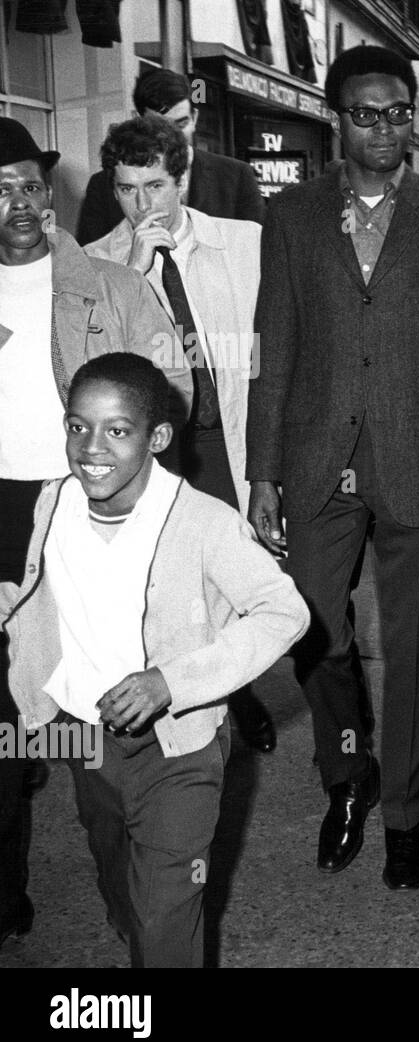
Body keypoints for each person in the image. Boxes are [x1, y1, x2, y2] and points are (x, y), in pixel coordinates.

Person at [246, 45, 419, 890]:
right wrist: (262, 473)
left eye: (395, 113)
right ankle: (348, 775)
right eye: (364, 113)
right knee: (313, 629)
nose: (382, 128)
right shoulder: (292, 216)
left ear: (411, 118)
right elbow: (273, 348)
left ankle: (405, 814)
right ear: (335, 118)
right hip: (318, 459)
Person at [0, 353, 307, 966]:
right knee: (117, 872)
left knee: (167, 913)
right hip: (82, 737)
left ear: (157, 437)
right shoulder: (50, 504)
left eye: (118, 430)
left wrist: (172, 681)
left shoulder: (203, 522)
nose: (92, 447)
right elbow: (29, 590)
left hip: (179, 751)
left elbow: (285, 611)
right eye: (77, 426)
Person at [0, 118, 187, 950]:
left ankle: (133, 893)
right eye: (1, 191)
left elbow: (170, 388)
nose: (22, 205)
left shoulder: (109, 285)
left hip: (82, 512)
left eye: (32, 186)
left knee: (95, 717)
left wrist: (119, 483)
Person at [85, 115, 275, 754]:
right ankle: (210, 700)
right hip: (155, 456)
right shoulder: (94, 267)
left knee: (240, 578)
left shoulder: (244, 242)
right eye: (127, 189)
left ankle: (239, 688)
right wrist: (131, 274)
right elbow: (97, 372)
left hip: (229, 444)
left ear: (183, 178)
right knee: (170, 586)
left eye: (156, 187)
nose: (143, 204)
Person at [76, 68, 263, 246]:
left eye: (181, 124)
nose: (174, 137)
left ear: (195, 118)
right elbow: (91, 267)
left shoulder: (236, 177)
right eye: (161, 127)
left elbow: (262, 251)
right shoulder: (102, 187)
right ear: (138, 121)